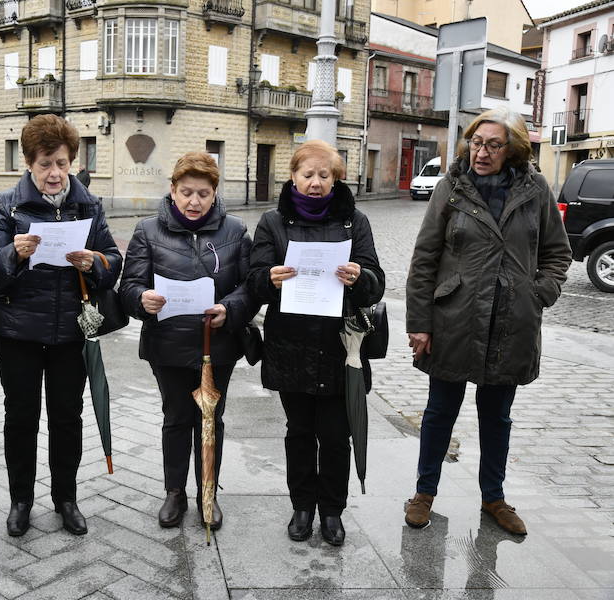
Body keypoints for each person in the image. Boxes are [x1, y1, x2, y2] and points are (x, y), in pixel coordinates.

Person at [404, 107, 571, 536]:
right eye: (476, 143)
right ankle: (424, 493)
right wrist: (420, 323)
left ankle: (493, 498)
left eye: (493, 145)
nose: (481, 152)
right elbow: (425, 259)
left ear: (512, 149)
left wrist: (539, 294)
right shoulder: (451, 187)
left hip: (512, 320)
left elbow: (558, 252)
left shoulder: (535, 190)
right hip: (455, 318)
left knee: (496, 417)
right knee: (440, 411)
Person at [0, 114, 122, 538]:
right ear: (28, 163)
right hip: (16, 331)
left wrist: (96, 263)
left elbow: (113, 261)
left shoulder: (88, 204)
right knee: (20, 417)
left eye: (61, 163)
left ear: (71, 160)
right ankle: (21, 500)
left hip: (70, 333)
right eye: (44, 164)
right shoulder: (5, 205)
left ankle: (66, 498)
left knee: (67, 417)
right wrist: (13, 255)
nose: (54, 173)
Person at [247, 140, 384, 546]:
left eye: (325, 175)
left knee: (336, 436)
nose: (315, 182)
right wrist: (268, 280)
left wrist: (360, 278)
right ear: (292, 176)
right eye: (308, 174)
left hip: (340, 348)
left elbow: (376, 283)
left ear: (336, 179)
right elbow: (254, 281)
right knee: (299, 432)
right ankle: (302, 506)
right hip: (291, 346)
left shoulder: (353, 222)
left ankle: (332, 512)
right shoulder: (272, 222)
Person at [120, 152, 257, 530]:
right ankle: (175, 493)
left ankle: (207, 493)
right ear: (172, 191)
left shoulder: (235, 231)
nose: (194, 202)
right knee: (177, 418)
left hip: (218, 347)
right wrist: (141, 300)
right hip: (167, 345)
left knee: (211, 419)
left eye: (202, 193)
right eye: (186, 192)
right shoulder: (148, 231)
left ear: (214, 193)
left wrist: (231, 308)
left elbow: (251, 286)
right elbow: (128, 287)